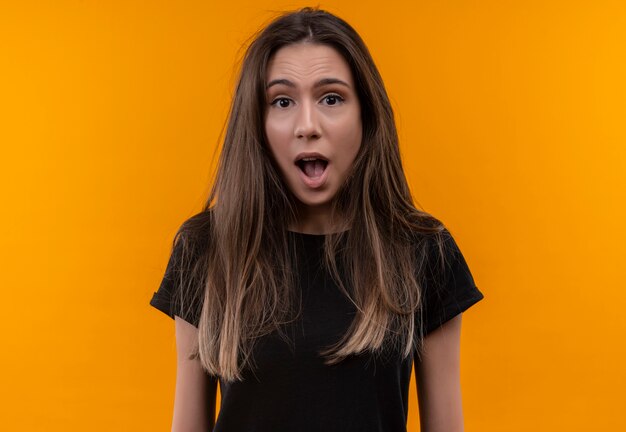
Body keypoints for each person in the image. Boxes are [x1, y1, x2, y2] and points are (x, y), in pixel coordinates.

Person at [150, 7, 484, 432]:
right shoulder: (207, 248)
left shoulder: (424, 251)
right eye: (282, 101)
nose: (307, 126)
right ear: (257, 121)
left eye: (331, 98)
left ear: (365, 114)